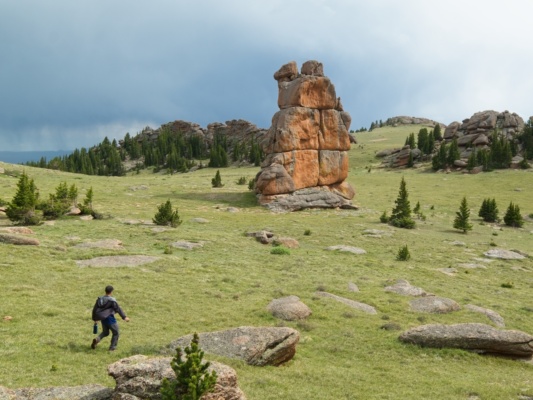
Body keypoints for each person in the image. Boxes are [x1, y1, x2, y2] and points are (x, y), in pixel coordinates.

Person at [91, 285, 130, 351]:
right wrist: (124, 317)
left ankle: (97, 339)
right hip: (110, 319)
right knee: (116, 333)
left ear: (105, 291)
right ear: (111, 292)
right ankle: (112, 348)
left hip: (103, 319)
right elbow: (118, 309)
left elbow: (95, 309)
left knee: (105, 332)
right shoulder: (112, 300)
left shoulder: (100, 299)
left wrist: (95, 319)